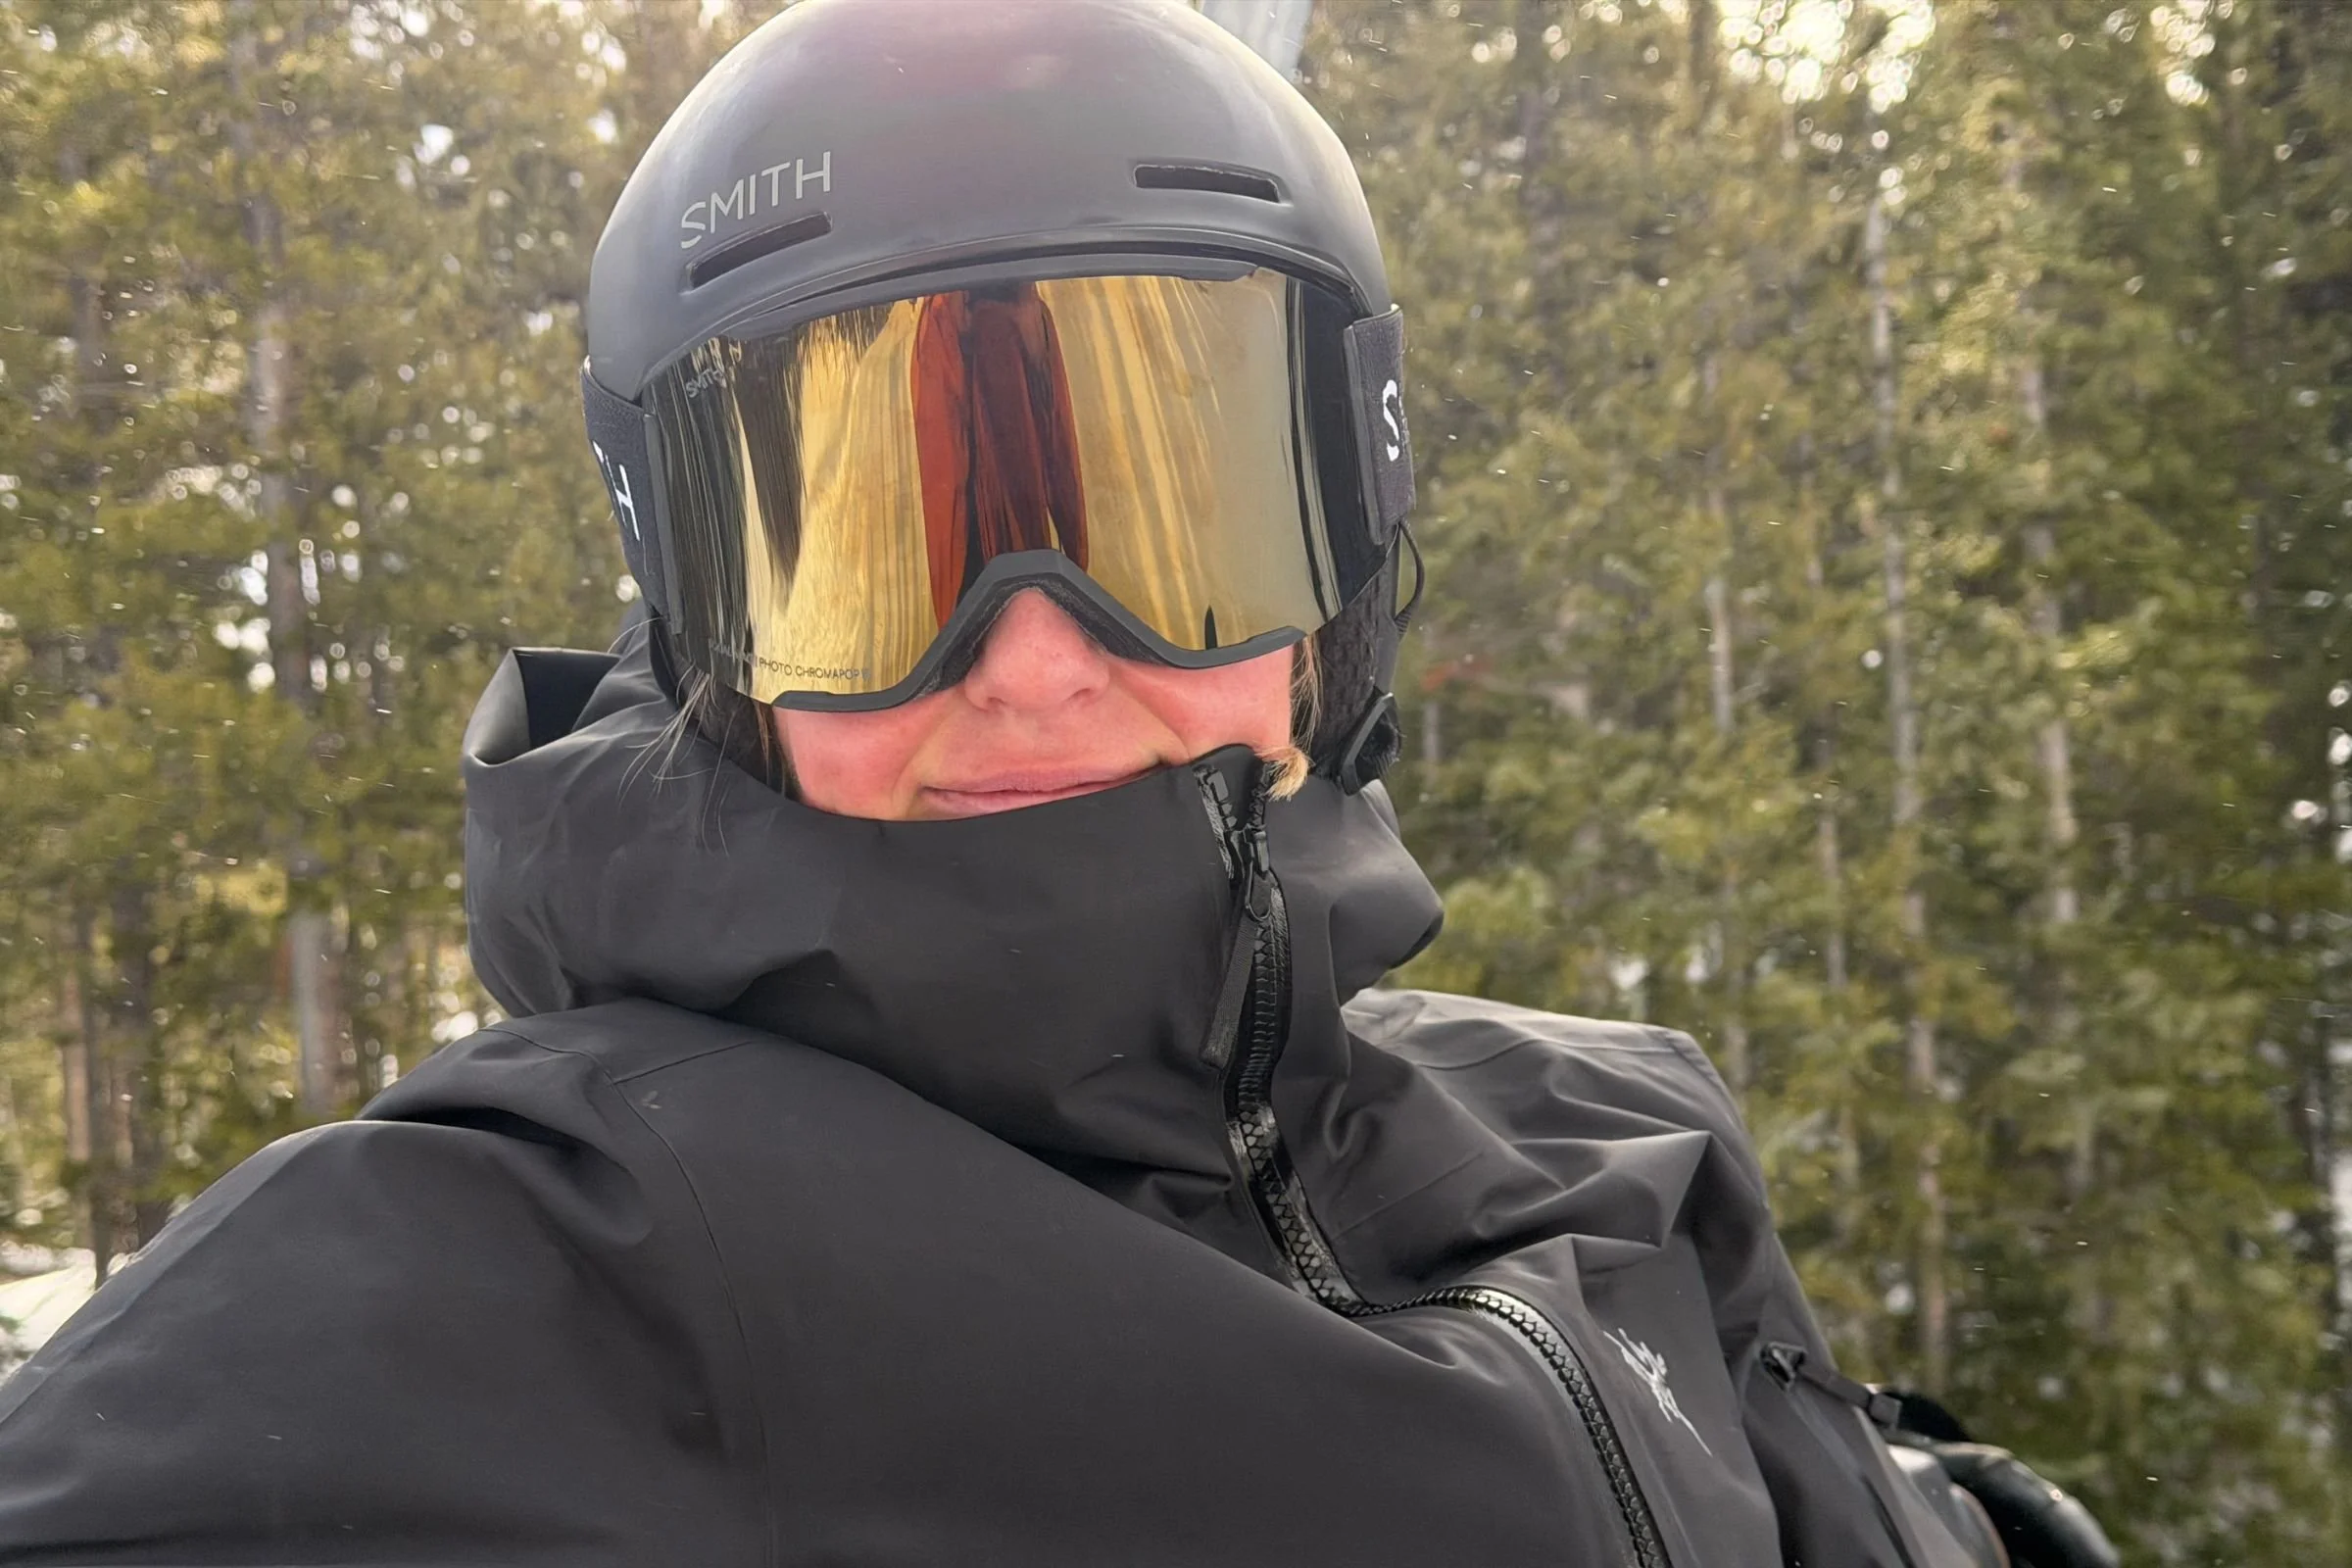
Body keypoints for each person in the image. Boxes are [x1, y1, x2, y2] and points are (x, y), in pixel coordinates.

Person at [0, 2, 2106, 1564]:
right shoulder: (528, 1264)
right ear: (707, 636)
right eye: (876, 558)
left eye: (1168, 522)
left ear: (1344, 569)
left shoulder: (1605, 1124)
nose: (1031, 659)